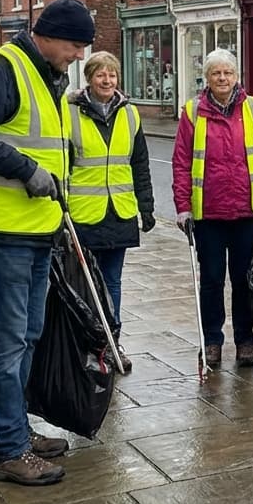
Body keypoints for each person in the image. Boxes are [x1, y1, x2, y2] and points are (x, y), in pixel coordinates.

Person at [0, 0, 94, 486]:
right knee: (7, 344)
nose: (77, 56)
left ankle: (16, 429)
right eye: (74, 45)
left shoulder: (47, 76)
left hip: (32, 230)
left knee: (27, 335)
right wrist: (25, 169)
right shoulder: (2, 69)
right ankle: (7, 450)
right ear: (47, 35)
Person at [172, 49, 253, 370]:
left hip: (248, 212)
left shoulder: (252, 108)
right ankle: (212, 342)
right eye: (216, 74)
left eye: (228, 73)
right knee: (211, 280)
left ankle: (244, 342)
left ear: (236, 76)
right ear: (206, 78)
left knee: (244, 280)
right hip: (208, 213)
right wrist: (182, 207)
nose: (223, 78)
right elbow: (181, 164)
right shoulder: (193, 112)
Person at [64, 51, 155, 374]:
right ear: (89, 77)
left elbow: (139, 164)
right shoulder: (70, 112)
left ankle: (111, 342)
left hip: (119, 212)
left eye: (112, 75)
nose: (107, 81)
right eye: (101, 75)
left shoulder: (130, 114)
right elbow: (62, 164)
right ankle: (88, 343)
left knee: (112, 281)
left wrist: (146, 207)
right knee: (85, 283)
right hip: (83, 214)